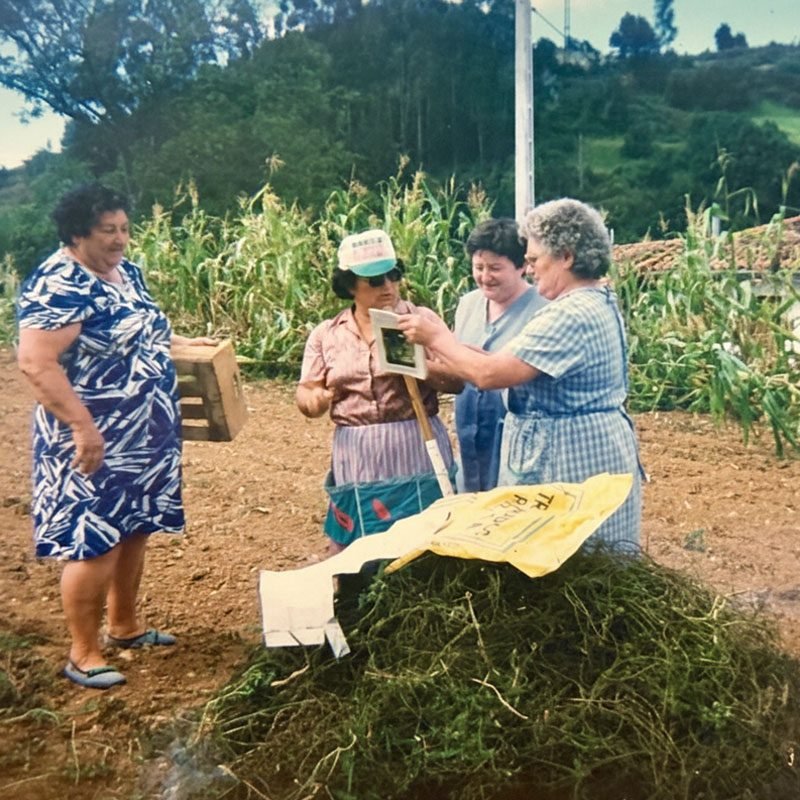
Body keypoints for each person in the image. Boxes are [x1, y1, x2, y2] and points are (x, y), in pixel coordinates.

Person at [16, 183, 215, 689]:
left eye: (124, 228)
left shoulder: (125, 272)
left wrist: (182, 342)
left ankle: (125, 626)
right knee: (94, 540)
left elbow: (141, 328)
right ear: (77, 233)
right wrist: (83, 426)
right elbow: (36, 362)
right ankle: (83, 652)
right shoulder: (59, 284)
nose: (120, 239)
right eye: (108, 230)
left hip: (143, 435)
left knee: (134, 526)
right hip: (91, 439)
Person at [398, 199, 643, 548]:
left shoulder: (569, 315)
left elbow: (489, 374)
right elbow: (501, 360)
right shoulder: (592, 301)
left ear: (566, 257)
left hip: (569, 459)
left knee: (565, 554)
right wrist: (446, 347)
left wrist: (436, 337)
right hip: (587, 448)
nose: (531, 270)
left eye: (535, 260)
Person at [296, 229, 462, 555]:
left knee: (424, 540)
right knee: (362, 544)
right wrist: (314, 401)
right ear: (349, 285)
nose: (387, 286)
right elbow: (307, 390)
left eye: (393, 275)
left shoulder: (420, 321)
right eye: (374, 280)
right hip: (357, 453)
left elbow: (457, 380)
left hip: (416, 443)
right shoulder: (327, 334)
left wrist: (419, 366)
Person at [454, 218, 545, 492]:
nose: (485, 276)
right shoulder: (468, 304)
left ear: (522, 266)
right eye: (478, 267)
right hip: (469, 427)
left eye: (495, 268)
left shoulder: (543, 310)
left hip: (517, 434)